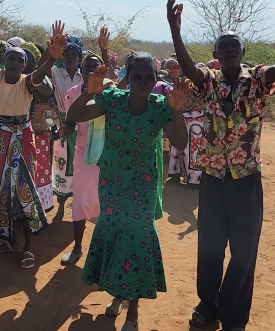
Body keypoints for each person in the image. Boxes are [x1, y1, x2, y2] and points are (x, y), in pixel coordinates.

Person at [167, 0, 275, 331]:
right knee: (210, 250)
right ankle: (207, 307)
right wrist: (176, 32)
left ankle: (234, 316)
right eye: (222, 46)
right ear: (214, 54)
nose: (229, 49)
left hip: (247, 180)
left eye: (234, 45)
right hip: (213, 179)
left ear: (242, 52)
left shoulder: (257, 79)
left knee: (244, 253)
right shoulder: (208, 82)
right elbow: (188, 69)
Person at [67, 53, 190, 331]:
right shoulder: (112, 100)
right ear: (128, 77)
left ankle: (132, 310)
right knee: (117, 235)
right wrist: (88, 93)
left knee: (138, 238)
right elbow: (74, 116)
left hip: (142, 186)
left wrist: (177, 111)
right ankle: (119, 294)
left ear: (156, 80)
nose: (143, 82)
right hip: (112, 183)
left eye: (150, 77)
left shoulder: (160, 107)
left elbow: (180, 141)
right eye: (137, 76)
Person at [0, 4, 61, 268]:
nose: (17, 62)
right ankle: (8, 240)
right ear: (3, 61)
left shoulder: (28, 82)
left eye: (21, 59)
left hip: (21, 138)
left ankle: (29, 247)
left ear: (26, 64)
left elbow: (42, 79)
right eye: (12, 58)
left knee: (23, 190)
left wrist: (51, 58)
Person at [57, 27, 110, 265]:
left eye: (97, 66)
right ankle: (77, 248)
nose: (92, 70)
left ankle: (101, 253)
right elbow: (70, 123)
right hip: (81, 152)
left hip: (106, 154)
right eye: (88, 67)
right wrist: (59, 131)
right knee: (79, 201)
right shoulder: (74, 92)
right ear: (82, 70)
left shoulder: (110, 91)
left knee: (104, 201)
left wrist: (104, 51)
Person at [42, 21, 84, 221]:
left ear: (79, 58)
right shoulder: (55, 72)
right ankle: (60, 206)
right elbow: (41, 67)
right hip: (59, 119)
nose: (69, 57)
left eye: (73, 54)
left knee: (79, 163)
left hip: (81, 123)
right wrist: (52, 48)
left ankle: (77, 207)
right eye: (66, 54)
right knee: (60, 163)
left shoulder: (84, 76)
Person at [21, 41, 56, 212]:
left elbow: (50, 104)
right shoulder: (11, 78)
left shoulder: (41, 79)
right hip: (17, 130)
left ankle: (37, 208)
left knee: (38, 167)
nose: (22, 61)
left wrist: (51, 128)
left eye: (26, 57)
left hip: (38, 131)